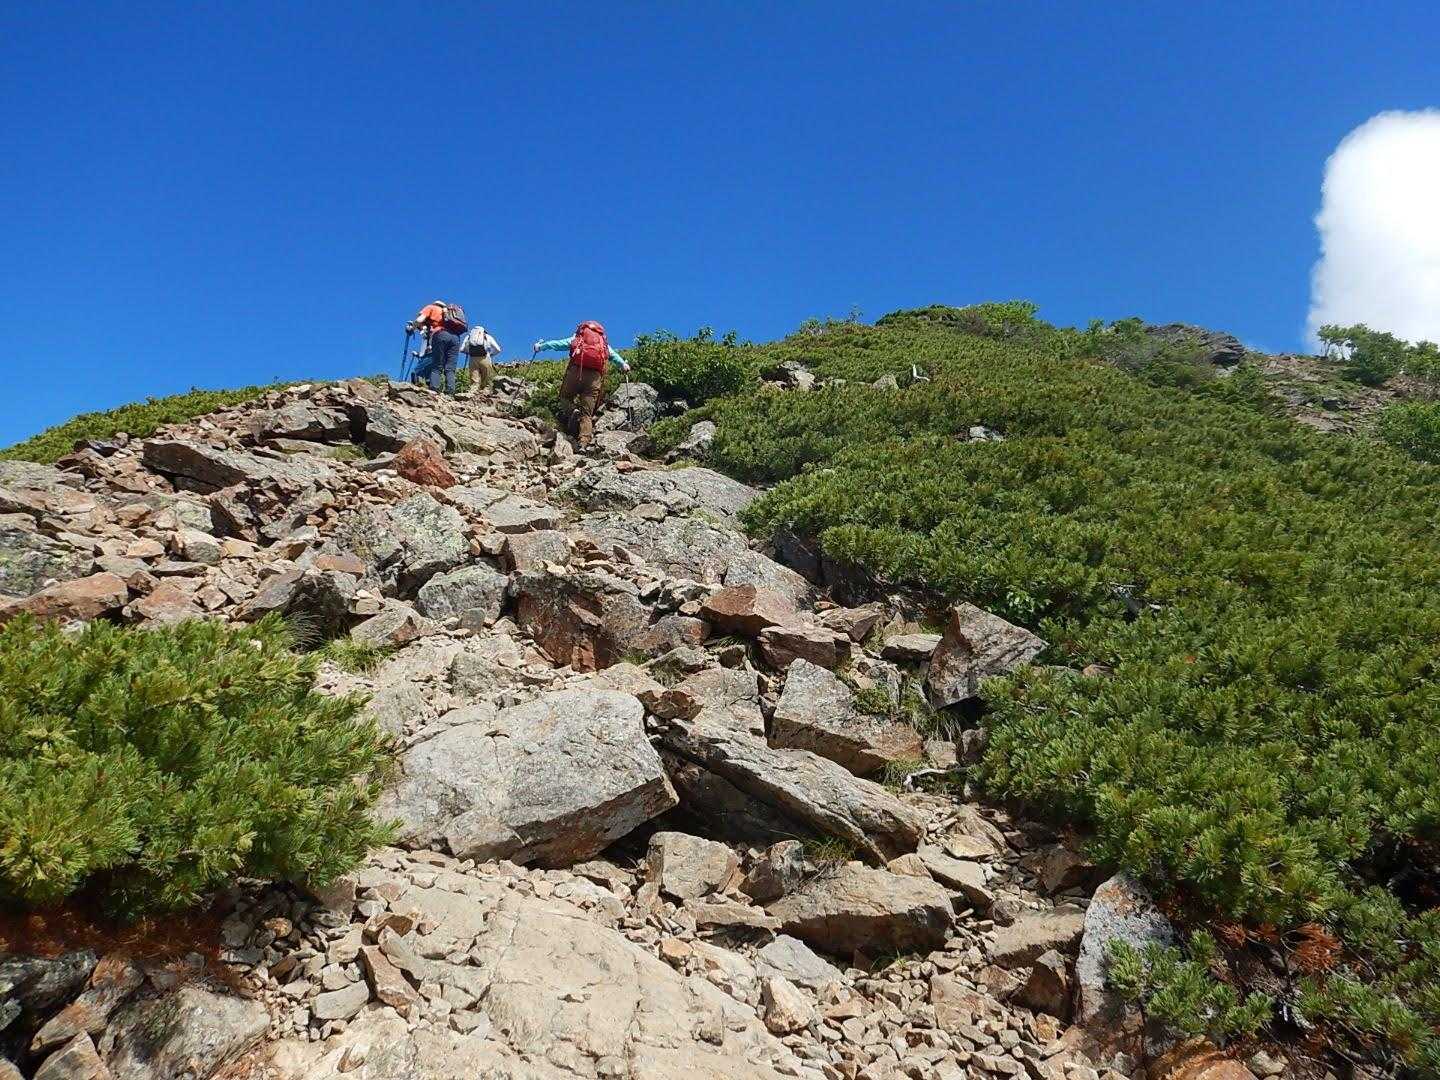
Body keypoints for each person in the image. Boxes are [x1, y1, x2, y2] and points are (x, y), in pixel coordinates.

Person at [531, 322, 630, 448]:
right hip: (594, 378)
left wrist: (541, 346)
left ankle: (573, 411)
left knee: (564, 397)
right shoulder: (603, 344)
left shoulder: (578, 338)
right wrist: (623, 364)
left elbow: (557, 344)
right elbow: (614, 356)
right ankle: (583, 444)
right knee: (587, 413)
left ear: (582, 330)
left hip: (576, 372)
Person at [407, 300, 467, 395]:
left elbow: (419, 320)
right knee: (450, 367)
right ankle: (450, 392)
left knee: (437, 365)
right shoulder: (449, 312)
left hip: (441, 335)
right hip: (456, 338)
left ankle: (434, 389)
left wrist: (411, 328)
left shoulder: (431, 307)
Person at [462, 324, 503, 396]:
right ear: (483, 331)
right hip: (485, 358)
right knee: (487, 380)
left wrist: (468, 352)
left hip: (472, 359)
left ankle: (472, 394)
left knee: (474, 381)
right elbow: (498, 349)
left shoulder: (469, 337)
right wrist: (491, 354)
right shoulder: (487, 336)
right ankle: (485, 393)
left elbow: (462, 349)